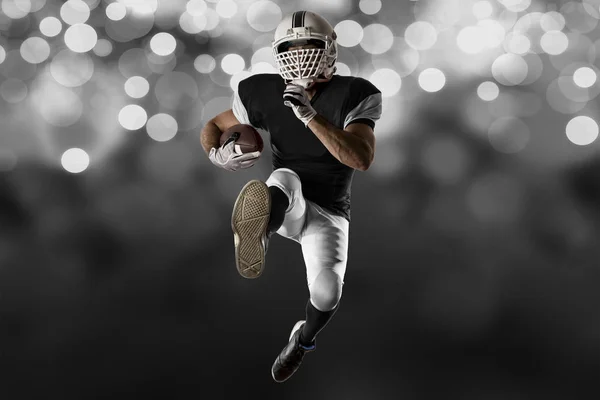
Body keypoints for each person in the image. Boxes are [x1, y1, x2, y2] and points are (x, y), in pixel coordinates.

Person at [200, 10, 382, 383]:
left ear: (329, 49)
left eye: (310, 45)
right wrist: (216, 153)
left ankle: (302, 339)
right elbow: (216, 124)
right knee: (284, 177)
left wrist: (310, 117)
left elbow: (361, 159)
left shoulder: (355, 93)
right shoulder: (264, 89)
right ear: (277, 52)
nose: (300, 55)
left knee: (328, 292)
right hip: (287, 202)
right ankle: (260, 231)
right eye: (291, 47)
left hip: (330, 211)